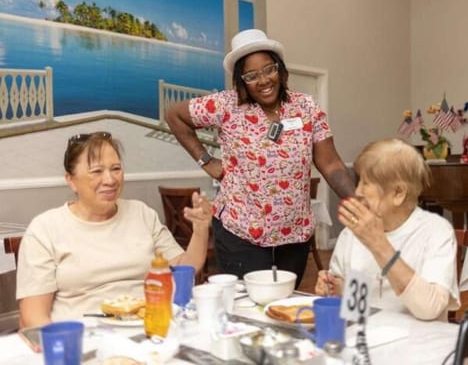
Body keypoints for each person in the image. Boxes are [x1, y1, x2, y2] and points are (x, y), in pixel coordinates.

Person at [166, 29, 355, 285]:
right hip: (241, 234)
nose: (263, 80)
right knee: (247, 307)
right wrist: (206, 160)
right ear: (241, 81)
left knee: (283, 305)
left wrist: (357, 202)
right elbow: (174, 116)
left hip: (294, 235)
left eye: (269, 69)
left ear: (281, 69)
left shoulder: (305, 107)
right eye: (252, 75)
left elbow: (330, 163)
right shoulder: (226, 106)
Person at [16, 132, 212, 327]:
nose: (110, 180)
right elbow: (34, 317)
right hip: (84, 338)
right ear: (71, 180)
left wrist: (201, 229)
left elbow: (185, 269)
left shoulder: (142, 214)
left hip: (149, 328)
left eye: (116, 169)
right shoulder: (45, 229)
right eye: (97, 171)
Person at [314, 139, 460, 321]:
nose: (357, 192)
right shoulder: (352, 233)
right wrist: (335, 289)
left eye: (366, 183)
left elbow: (430, 309)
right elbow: (358, 304)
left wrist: (378, 244)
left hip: (418, 343)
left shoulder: (436, 232)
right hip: (364, 341)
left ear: (398, 193)